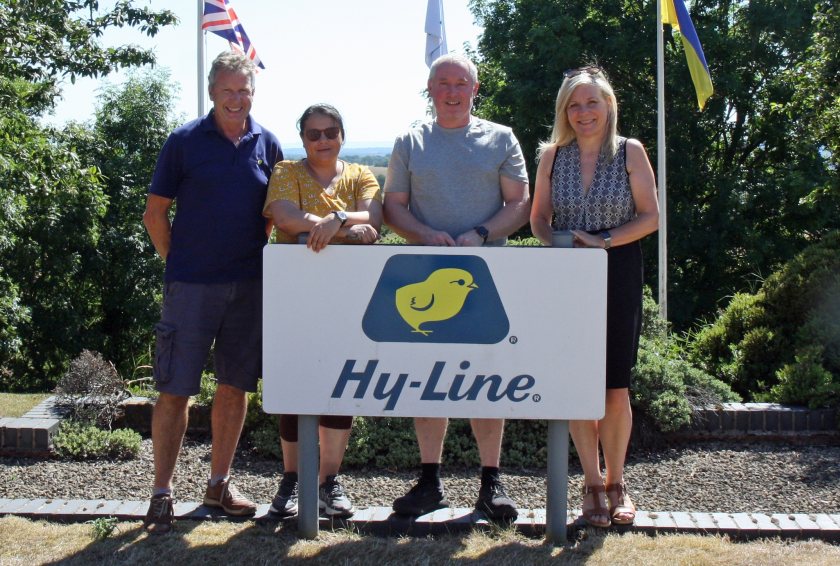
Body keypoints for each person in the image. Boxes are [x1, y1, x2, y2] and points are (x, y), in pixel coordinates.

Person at [383, 54, 530, 521]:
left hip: (487, 277)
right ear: (430, 90)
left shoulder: (500, 138)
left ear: (475, 88)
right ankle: (430, 482)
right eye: (442, 83)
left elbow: (520, 204)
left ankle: (492, 483)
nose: (451, 91)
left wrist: (482, 234)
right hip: (424, 275)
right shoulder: (410, 140)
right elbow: (393, 207)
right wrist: (424, 234)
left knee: (486, 379)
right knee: (428, 381)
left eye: (460, 83)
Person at [141, 51, 283, 534]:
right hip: (191, 287)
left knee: (234, 387)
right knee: (175, 389)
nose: (237, 100)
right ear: (212, 93)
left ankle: (219, 484)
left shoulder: (268, 143)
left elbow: (274, 212)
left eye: (244, 91)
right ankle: (162, 492)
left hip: (248, 286)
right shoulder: (183, 142)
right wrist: (178, 266)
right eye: (229, 91)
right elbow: (154, 214)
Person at [529, 66, 659, 527]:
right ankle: (590, 483)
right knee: (577, 384)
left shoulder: (630, 151)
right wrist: (557, 241)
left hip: (618, 270)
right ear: (565, 110)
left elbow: (650, 218)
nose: (584, 112)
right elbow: (538, 219)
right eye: (575, 104)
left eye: (592, 102)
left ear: (608, 106)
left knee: (614, 386)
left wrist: (602, 240)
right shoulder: (551, 156)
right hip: (567, 278)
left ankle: (618, 482)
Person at [264, 103, 382, 518]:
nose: (322, 140)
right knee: (296, 387)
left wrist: (334, 219)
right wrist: (340, 224)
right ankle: (293, 480)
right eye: (313, 134)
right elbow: (283, 216)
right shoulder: (286, 172)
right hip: (295, 296)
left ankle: (329, 481)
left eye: (330, 132)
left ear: (342, 135)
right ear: (302, 139)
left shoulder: (361, 174)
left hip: (351, 299)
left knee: (341, 387)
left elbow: (376, 216)